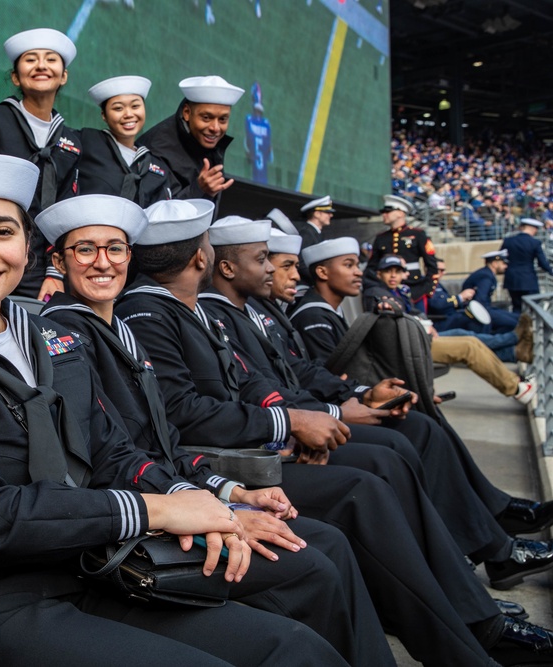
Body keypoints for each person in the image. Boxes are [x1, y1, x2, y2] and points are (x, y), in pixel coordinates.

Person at [0, 154, 348, 667]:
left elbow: (108, 448)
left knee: (292, 646)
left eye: (2, 232)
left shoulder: (45, 336)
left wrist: (199, 503)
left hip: (88, 563)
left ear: (26, 248)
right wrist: (157, 510)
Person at [113, 201, 553, 665]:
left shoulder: (189, 310)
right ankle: (468, 624)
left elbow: (253, 380)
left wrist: (329, 409)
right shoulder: (149, 312)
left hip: (248, 452)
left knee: (393, 452)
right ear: (204, 258)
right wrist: (292, 426)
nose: (273, 270)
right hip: (228, 463)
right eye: (265, 259)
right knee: (368, 483)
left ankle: (466, 608)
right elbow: (184, 412)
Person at [36, 194, 392, 665]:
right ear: (57, 261)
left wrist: (232, 491)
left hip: (176, 494)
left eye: (115, 248)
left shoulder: (116, 325)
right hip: (139, 519)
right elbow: (110, 457)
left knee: (321, 545)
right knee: (311, 563)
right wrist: (209, 506)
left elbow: (164, 441)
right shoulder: (62, 335)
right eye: (85, 250)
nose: (103, 262)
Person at [201, 219, 553, 592]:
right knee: (393, 451)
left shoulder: (252, 311)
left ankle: (487, 532)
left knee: (417, 426)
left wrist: (363, 394)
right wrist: (328, 414)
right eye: (274, 262)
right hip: (273, 443)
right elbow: (260, 389)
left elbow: (295, 374)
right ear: (224, 267)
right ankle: (466, 562)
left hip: (301, 419)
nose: (281, 272)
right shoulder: (263, 314)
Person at [292, 243, 536, 406]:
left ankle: (516, 356)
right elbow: (330, 372)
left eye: (398, 270)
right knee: (470, 345)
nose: (357, 272)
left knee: (470, 340)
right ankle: (516, 368)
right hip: (404, 348)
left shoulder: (396, 291)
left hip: (415, 341)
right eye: (349, 265)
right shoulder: (374, 293)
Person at [0, 28, 81, 301]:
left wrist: (55, 272)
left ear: (63, 75)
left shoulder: (70, 141)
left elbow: (66, 212)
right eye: (30, 59)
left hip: (48, 269)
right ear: (15, 76)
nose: (41, 65)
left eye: (51, 59)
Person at [138, 75, 243, 217]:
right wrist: (199, 189)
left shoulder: (205, 142)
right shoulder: (157, 149)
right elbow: (155, 216)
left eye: (223, 119)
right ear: (187, 113)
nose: (215, 128)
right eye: (206, 118)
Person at [77, 76, 171, 206]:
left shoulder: (157, 168)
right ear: (104, 115)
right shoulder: (87, 141)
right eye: (118, 108)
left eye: (135, 106)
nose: (128, 114)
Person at [428, 258, 526, 363]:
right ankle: (513, 338)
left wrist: (462, 300)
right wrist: (459, 297)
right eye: (440, 270)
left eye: (444, 270)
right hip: (440, 323)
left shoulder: (436, 284)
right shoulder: (428, 285)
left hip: (448, 318)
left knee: (476, 328)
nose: (444, 273)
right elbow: (436, 305)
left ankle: (513, 352)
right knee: (469, 335)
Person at [363, 194, 439, 312]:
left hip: (415, 290)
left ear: (401, 213)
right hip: (388, 291)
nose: (384, 215)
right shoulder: (381, 238)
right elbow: (372, 267)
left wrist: (427, 290)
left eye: (388, 211)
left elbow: (432, 265)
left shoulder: (418, 234)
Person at [502, 217, 553, 312]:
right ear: (533, 229)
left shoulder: (508, 241)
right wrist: (551, 271)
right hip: (528, 280)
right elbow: (542, 263)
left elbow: (502, 258)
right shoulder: (535, 243)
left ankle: (517, 325)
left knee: (516, 307)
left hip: (512, 279)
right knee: (534, 307)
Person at [462, 250, 520, 333]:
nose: (506, 266)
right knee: (513, 324)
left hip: (485, 308)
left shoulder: (487, 274)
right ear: (494, 264)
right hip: (478, 311)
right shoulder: (485, 276)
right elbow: (481, 300)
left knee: (518, 318)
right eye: (503, 263)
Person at [295, 195, 334, 288]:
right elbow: (300, 261)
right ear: (317, 214)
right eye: (327, 212)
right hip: (305, 285)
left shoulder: (315, 233)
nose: (331, 215)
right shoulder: (307, 233)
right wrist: (317, 278)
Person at [243, 83, 273, 185]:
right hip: (264, 174)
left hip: (255, 171)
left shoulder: (249, 120)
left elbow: (247, 146)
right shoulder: (267, 124)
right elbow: (269, 150)